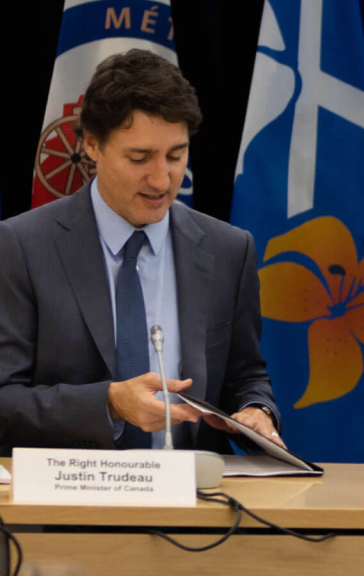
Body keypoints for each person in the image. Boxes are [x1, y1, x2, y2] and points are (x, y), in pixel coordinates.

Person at [0, 49, 283, 455]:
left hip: (198, 507)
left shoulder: (228, 249)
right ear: (92, 145)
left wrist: (256, 409)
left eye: (176, 155)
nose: (161, 179)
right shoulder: (22, 246)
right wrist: (110, 404)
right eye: (139, 157)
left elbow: (245, 376)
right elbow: (4, 401)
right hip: (69, 506)